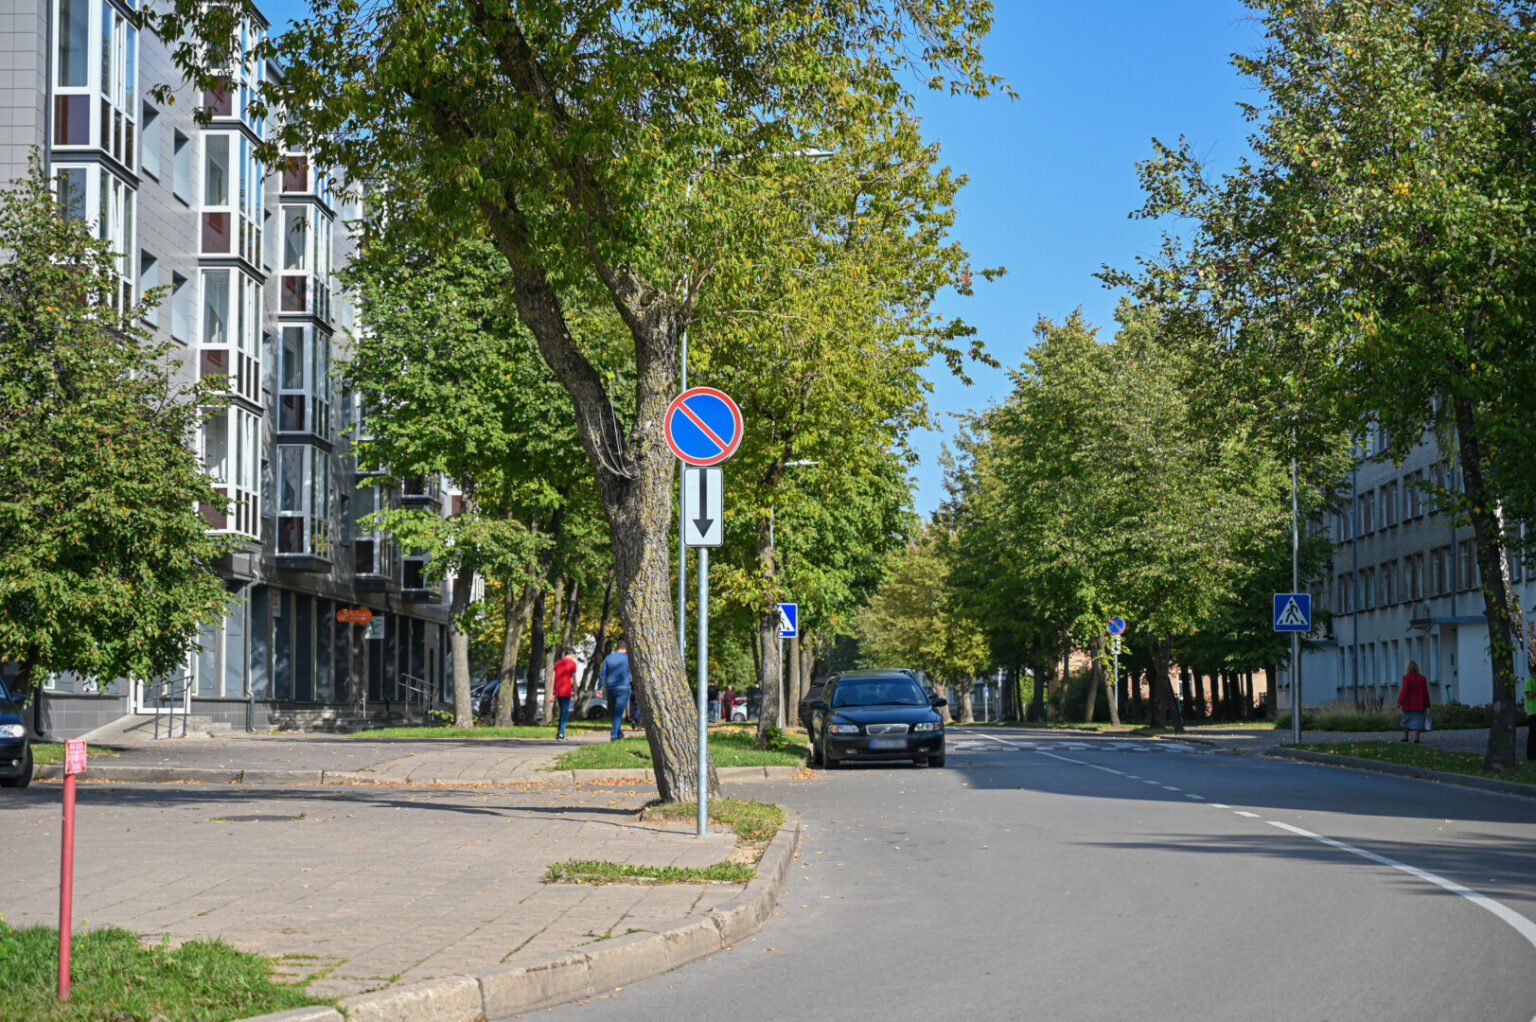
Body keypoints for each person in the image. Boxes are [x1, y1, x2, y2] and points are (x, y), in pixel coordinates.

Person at [600, 639, 631, 741]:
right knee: (618, 712)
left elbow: (603, 674)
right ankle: (614, 734)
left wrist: (599, 687)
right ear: (625, 649)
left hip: (611, 688)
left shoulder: (608, 658)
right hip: (623, 688)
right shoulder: (628, 658)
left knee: (614, 712)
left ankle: (619, 732)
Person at [1397, 659, 1430, 743]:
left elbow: (1404, 691)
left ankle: (1406, 737)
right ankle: (1417, 738)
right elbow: (1425, 692)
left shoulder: (1406, 678)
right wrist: (1427, 704)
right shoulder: (1422, 678)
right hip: (1419, 704)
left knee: (1406, 720)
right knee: (1418, 721)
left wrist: (1400, 702)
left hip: (1408, 704)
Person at [552, 645, 577, 740]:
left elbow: (553, 678)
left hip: (558, 691)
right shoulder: (572, 664)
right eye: (574, 656)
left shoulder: (557, 663)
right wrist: (576, 693)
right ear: (572, 654)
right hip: (566, 690)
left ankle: (559, 732)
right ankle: (561, 734)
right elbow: (574, 680)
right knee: (565, 713)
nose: (574, 658)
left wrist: (551, 692)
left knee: (562, 712)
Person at [1524, 675, 1536, 761]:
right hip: (1533, 711)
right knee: (1533, 734)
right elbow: (1530, 695)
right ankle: (1531, 755)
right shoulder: (1529, 681)